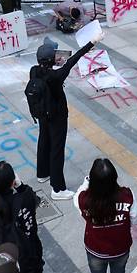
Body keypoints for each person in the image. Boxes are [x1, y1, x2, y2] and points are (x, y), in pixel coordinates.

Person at [32, 31, 104, 199]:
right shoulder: (57, 76)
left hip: (42, 113)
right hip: (57, 116)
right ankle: (57, 189)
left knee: (44, 140)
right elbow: (75, 58)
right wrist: (92, 41)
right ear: (51, 60)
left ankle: (42, 173)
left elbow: (48, 70)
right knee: (57, 149)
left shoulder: (34, 71)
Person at [0, 162, 43, 273]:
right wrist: (20, 186)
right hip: (30, 265)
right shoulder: (26, 199)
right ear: (13, 182)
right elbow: (35, 199)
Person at [74, 159, 137, 273]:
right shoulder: (127, 195)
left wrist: (86, 181)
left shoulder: (83, 200)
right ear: (114, 178)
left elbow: (79, 194)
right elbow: (135, 218)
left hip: (95, 250)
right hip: (121, 248)